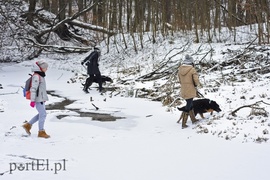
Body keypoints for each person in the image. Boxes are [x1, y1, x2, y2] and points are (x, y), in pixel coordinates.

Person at [22, 61, 50, 138]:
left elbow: (41, 89)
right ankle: (41, 132)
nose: (46, 69)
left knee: (42, 114)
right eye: (45, 68)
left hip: (41, 98)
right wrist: (32, 100)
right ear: (41, 68)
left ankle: (28, 125)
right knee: (43, 114)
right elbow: (33, 89)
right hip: (37, 99)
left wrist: (43, 97)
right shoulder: (36, 76)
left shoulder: (40, 76)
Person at [178, 54, 201, 129]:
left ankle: (193, 119)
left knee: (190, 103)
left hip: (184, 89)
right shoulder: (192, 69)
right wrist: (196, 85)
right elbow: (196, 80)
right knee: (188, 104)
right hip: (190, 88)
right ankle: (184, 123)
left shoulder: (180, 69)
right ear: (191, 62)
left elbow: (180, 80)